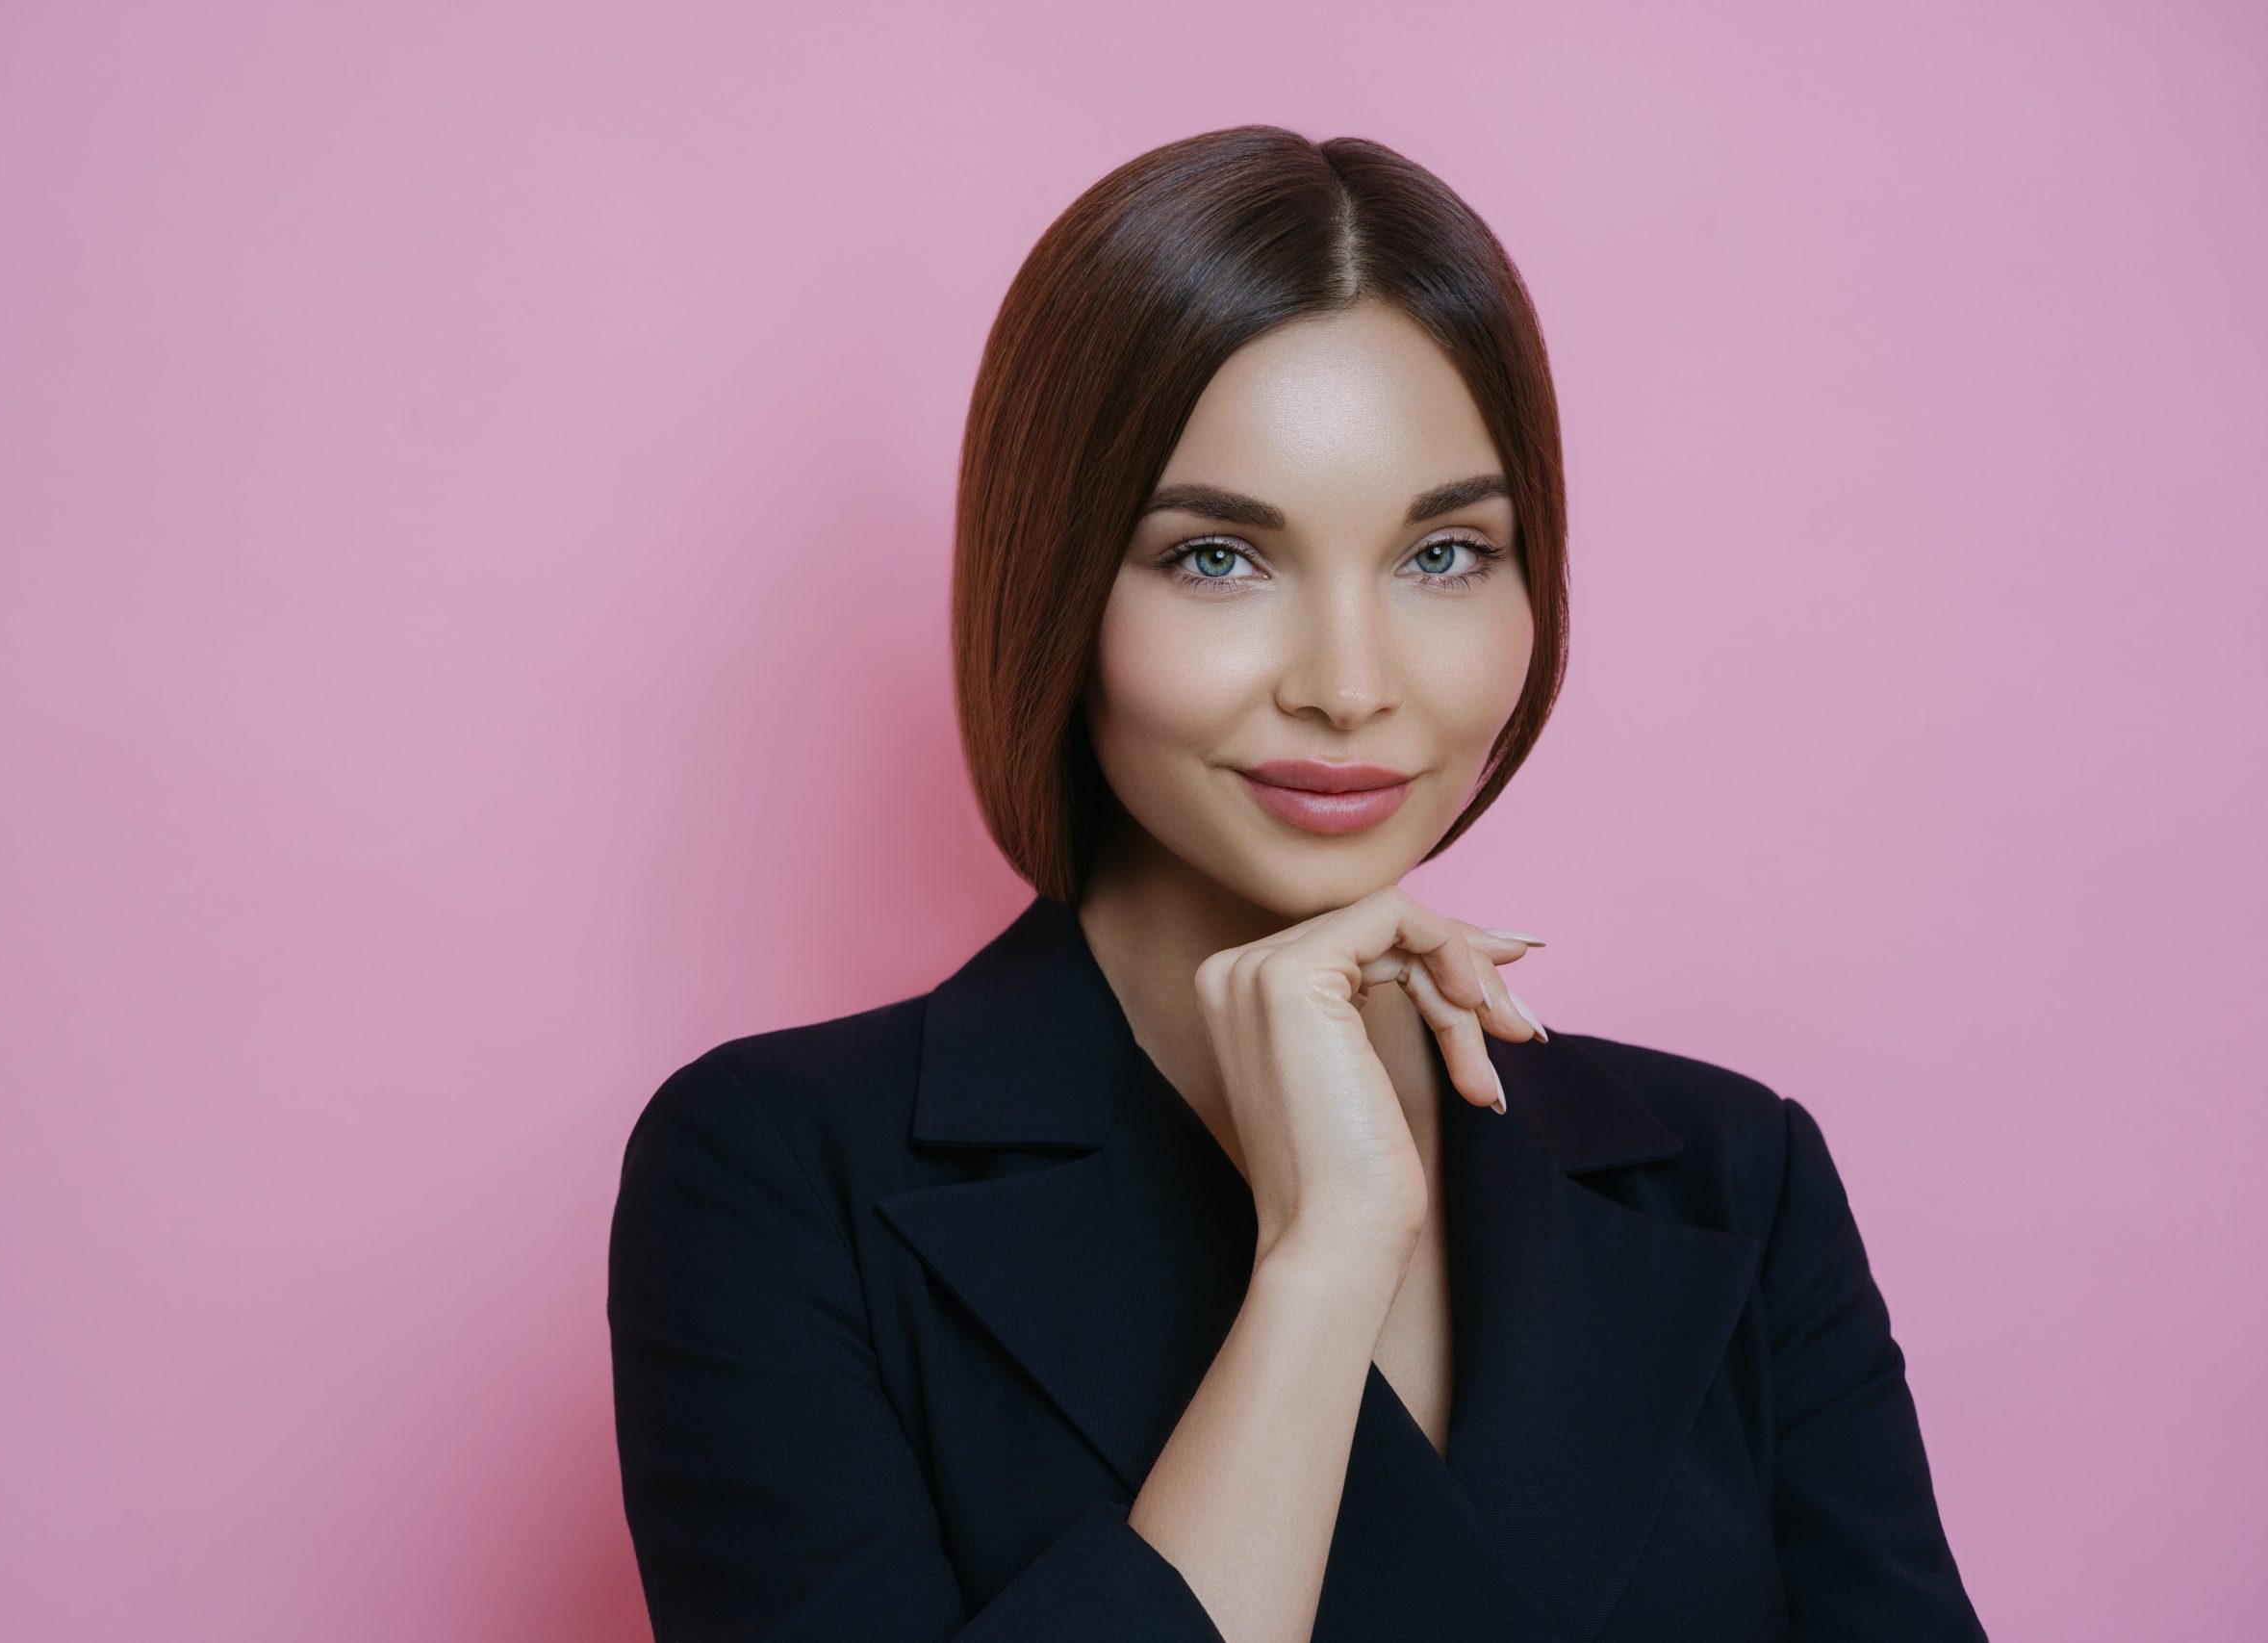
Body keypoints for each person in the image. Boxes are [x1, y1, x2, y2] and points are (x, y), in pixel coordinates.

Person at [606, 124, 1986, 1643]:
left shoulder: (1728, 1175)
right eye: (1217, 559)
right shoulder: (781, 1177)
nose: (1350, 684)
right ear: (1057, 579)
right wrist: (1320, 1265)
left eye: (1446, 553)